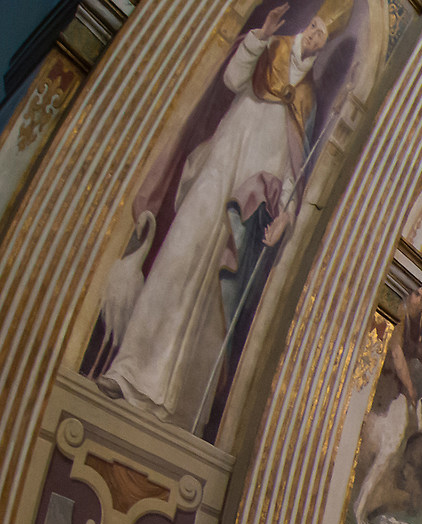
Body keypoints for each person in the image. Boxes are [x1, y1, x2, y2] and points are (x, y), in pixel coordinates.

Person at [98, 0, 351, 421]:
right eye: (313, 27)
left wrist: (286, 214)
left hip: (250, 201)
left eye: (321, 35)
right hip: (220, 168)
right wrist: (259, 37)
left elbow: (296, 166)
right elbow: (233, 79)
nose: (312, 35)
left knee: (215, 295)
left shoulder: (306, 96)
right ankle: (129, 370)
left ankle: (178, 405)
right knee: (178, 257)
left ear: (324, 45)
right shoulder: (271, 48)